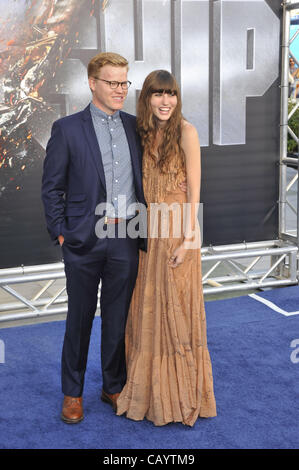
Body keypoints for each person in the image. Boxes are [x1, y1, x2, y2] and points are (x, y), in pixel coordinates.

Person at [41, 52, 147, 423]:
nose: (120, 90)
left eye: (124, 82)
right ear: (92, 83)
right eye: (112, 82)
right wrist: (60, 233)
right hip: (84, 240)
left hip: (126, 236)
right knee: (80, 318)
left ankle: (112, 386)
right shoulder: (67, 129)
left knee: (117, 318)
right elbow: (52, 188)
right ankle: (72, 393)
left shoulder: (136, 126)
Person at [116, 70, 217, 426]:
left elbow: (194, 191)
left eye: (171, 94)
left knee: (177, 312)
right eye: (158, 94)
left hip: (176, 233)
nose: (165, 101)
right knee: (146, 309)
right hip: (148, 233)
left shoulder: (186, 132)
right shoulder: (143, 134)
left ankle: (179, 393)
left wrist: (191, 238)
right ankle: (146, 388)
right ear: (146, 99)